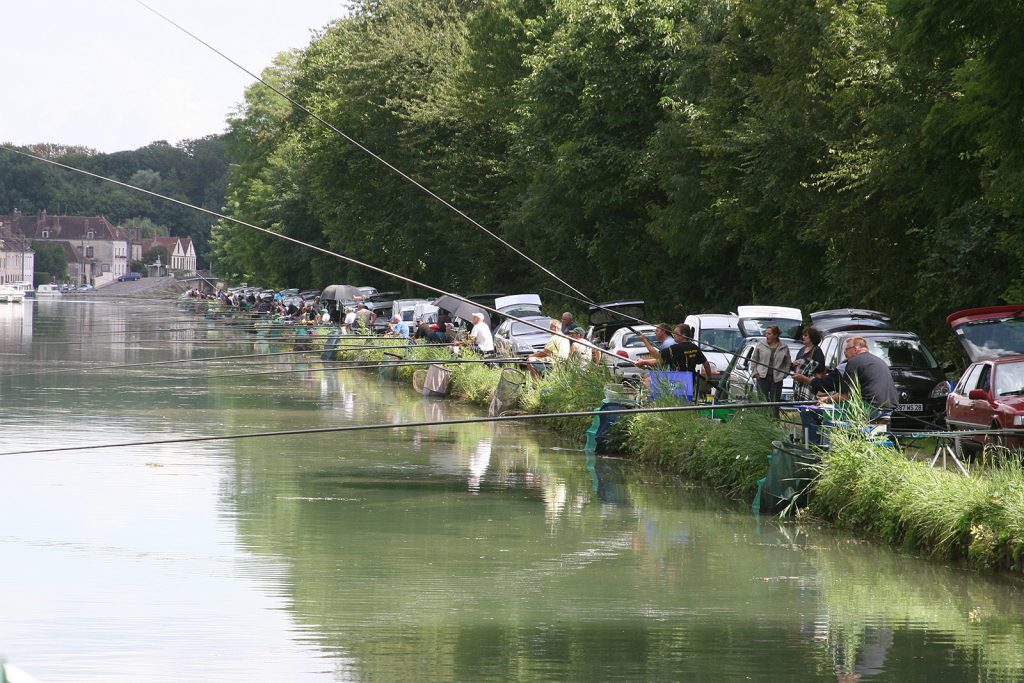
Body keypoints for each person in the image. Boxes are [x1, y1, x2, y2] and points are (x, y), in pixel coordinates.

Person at [824, 336, 899, 420]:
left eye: (846, 350)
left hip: (870, 407)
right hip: (888, 407)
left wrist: (827, 399)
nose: (846, 355)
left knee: (829, 412)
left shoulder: (854, 362)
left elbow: (846, 396)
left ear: (855, 349)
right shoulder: (880, 361)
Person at [749, 324, 792, 414]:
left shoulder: (784, 347)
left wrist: (784, 374)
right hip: (762, 378)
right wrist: (755, 373)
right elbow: (754, 360)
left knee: (775, 403)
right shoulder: (760, 345)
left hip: (776, 379)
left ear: (775, 335)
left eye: (769, 334)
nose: (766, 335)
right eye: (766, 333)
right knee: (762, 402)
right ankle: (762, 421)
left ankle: (775, 422)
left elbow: (787, 363)